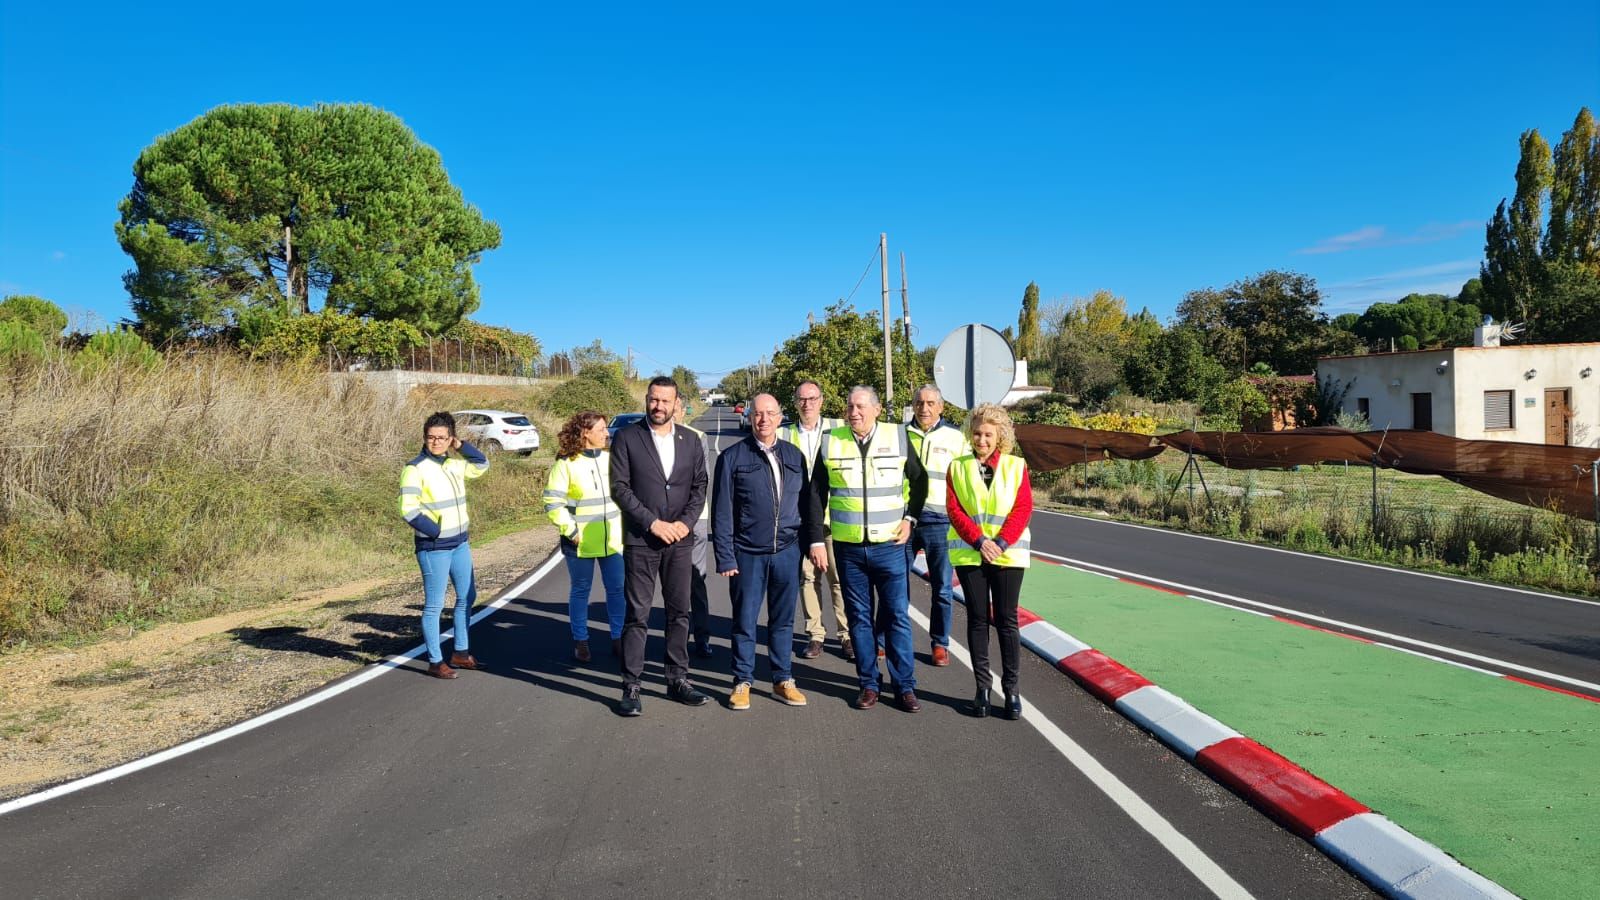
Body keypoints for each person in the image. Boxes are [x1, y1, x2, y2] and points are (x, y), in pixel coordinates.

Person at [806, 386, 928, 712]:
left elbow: (920, 481)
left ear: (876, 409)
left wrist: (911, 518)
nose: (854, 412)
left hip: (890, 546)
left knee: (897, 617)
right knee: (859, 619)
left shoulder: (898, 437)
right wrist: (816, 539)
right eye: (850, 407)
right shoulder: (831, 441)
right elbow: (816, 494)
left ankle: (904, 687)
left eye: (860, 406)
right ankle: (869, 684)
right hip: (848, 549)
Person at [610, 376, 711, 716]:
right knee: (637, 614)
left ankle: (677, 679)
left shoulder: (690, 440)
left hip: (680, 541)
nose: (658, 406)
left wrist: (685, 523)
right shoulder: (627, 437)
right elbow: (620, 488)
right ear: (647, 399)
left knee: (679, 612)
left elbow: (699, 486)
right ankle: (631, 685)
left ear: (676, 403)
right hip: (642, 539)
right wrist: (652, 522)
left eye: (665, 401)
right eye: (654, 399)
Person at [712, 393, 809, 710]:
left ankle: (783, 679)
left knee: (783, 621)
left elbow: (805, 505)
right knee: (745, 620)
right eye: (757, 413)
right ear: (749, 417)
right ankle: (742, 681)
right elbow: (722, 512)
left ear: (780, 417)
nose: (764, 419)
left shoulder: (794, 455)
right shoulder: (732, 457)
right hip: (747, 553)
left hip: (787, 551)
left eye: (770, 413)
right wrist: (725, 555)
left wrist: (807, 546)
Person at [946, 404, 1033, 720]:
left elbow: (1023, 508)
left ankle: (1012, 691)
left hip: (1008, 554)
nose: (981, 440)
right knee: (978, 619)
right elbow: (955, 510)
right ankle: (982, 688)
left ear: (1000, 437)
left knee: (1007, 620)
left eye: (988, 435)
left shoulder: (1015, 466)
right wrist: (980, 541)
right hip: (971, 553)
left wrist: (1000, 543)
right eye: (977, 434)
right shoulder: (957, 467)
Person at [398, 411, 488, 679]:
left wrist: (461, 446)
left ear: (450, 439)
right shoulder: (414, 469)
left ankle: (460, 652)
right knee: (435, 605)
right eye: (431, 437)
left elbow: (481, 464)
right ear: (424, 438)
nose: (435, 442)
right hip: (434, 547)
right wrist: (435, 532)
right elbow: (408, 510)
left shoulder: (454, 465)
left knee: (467, 597)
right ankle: (435, 661)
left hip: (460, 543)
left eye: (441, 437)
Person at [544, 411, 625, 663]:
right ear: (585, 433)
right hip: (579, 542)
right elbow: (552, 502)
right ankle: (581, 640)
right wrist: (571, 531)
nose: (607, 433)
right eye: (601, 429)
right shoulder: (565, 464)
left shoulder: (612, 459)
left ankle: (619, 638)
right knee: (581, 590)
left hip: (613, 540)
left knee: (617, 589)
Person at [776, 380, 849, 660]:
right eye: (802, 399)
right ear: (795, 402)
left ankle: (847, 635)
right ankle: (815, 635)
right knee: (808, 577)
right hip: (799, 519)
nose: (807, 404)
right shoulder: (784, 434)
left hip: (834, 517)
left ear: (822, 400)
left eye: (812, 398)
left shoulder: (839, 428)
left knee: (838, 578)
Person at [904, 384, 971, 667]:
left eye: (931, 403)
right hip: (904, 520)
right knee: (895, 584)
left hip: (940, 522)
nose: (925, 408)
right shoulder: (899, 435)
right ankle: (886, 639)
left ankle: (940, 644)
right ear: (913, 405)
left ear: (941, 407)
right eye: (920, 403)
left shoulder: (956, 438)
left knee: (942, 588)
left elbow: (967, 479)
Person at [674, 395, 716, 658]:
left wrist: (684, 518)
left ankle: (702, 637)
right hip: (663, 522)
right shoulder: (652, 438)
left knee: (695, 580)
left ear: (683, 411)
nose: (672, 414)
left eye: (676, 409)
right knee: (671, 584)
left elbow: (702, 480)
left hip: (694, 520)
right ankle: (677, 639)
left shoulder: (697, 437)